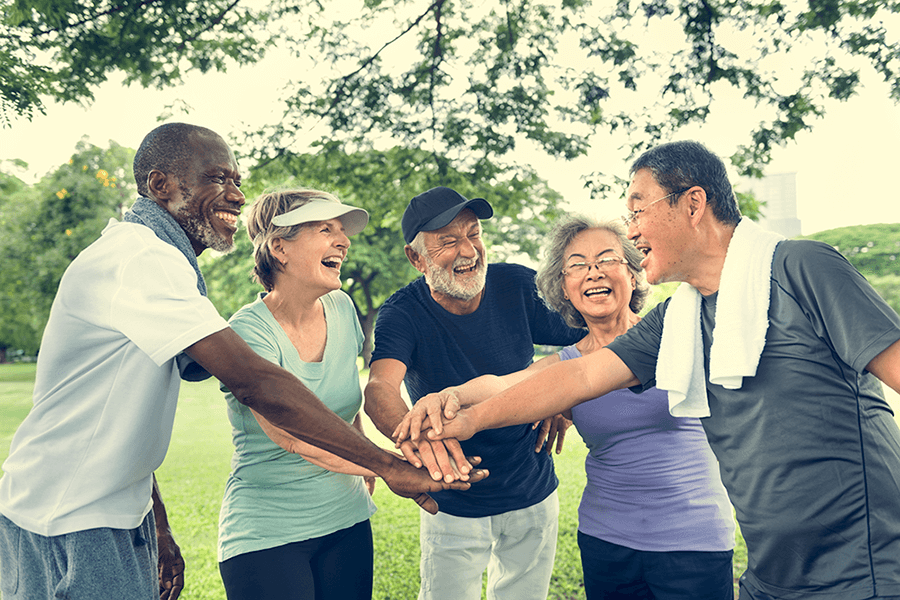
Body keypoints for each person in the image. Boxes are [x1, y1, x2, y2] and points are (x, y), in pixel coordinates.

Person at [0, 123, 484, 600]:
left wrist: (156, 523)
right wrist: (387, 466)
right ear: (159, 185)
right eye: (216, 178)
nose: (235, 194)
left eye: (236, 180)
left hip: (119, 512)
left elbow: (122, 415)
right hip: (66, 517)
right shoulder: (138, 257)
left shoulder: (168, 266)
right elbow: (256, 383)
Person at [404, 141, 900, 600]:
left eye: (638, 211)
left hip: (863, 568)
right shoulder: (680, 318)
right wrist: (462, 414)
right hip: (770, 575)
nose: (633, 231)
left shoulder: (801, 267)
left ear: (692, 203)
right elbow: (575, 377)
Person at [398, 215, 736, 599]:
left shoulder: (676, 333)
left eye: (606, 260)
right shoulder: (567, 363)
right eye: (577, 265)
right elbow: (504, 384)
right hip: (606, 540)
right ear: (564, 287)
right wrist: (448, 396)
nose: (592, 273)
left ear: (633, 271)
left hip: (692, 542)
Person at [364, 186, 584, 600]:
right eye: (447, 241)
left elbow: (598, 334)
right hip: (453, 500)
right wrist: (421, 444)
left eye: (474, 233)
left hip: (532, 490)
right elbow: (379, 389)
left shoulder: (518, 285)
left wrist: (564, 400)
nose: (468, 250)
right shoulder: (402, 312)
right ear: (416, 258)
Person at [216, 188, 384, 600]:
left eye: (342, 231)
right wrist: (386, 465)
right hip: (267, 532)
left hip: (347, 518)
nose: (343, 241)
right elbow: (292, 435)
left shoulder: (342, 308)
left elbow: (343, 408)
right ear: (279, 247)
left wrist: (362, 460)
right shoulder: (248, 332)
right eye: (325, 229)